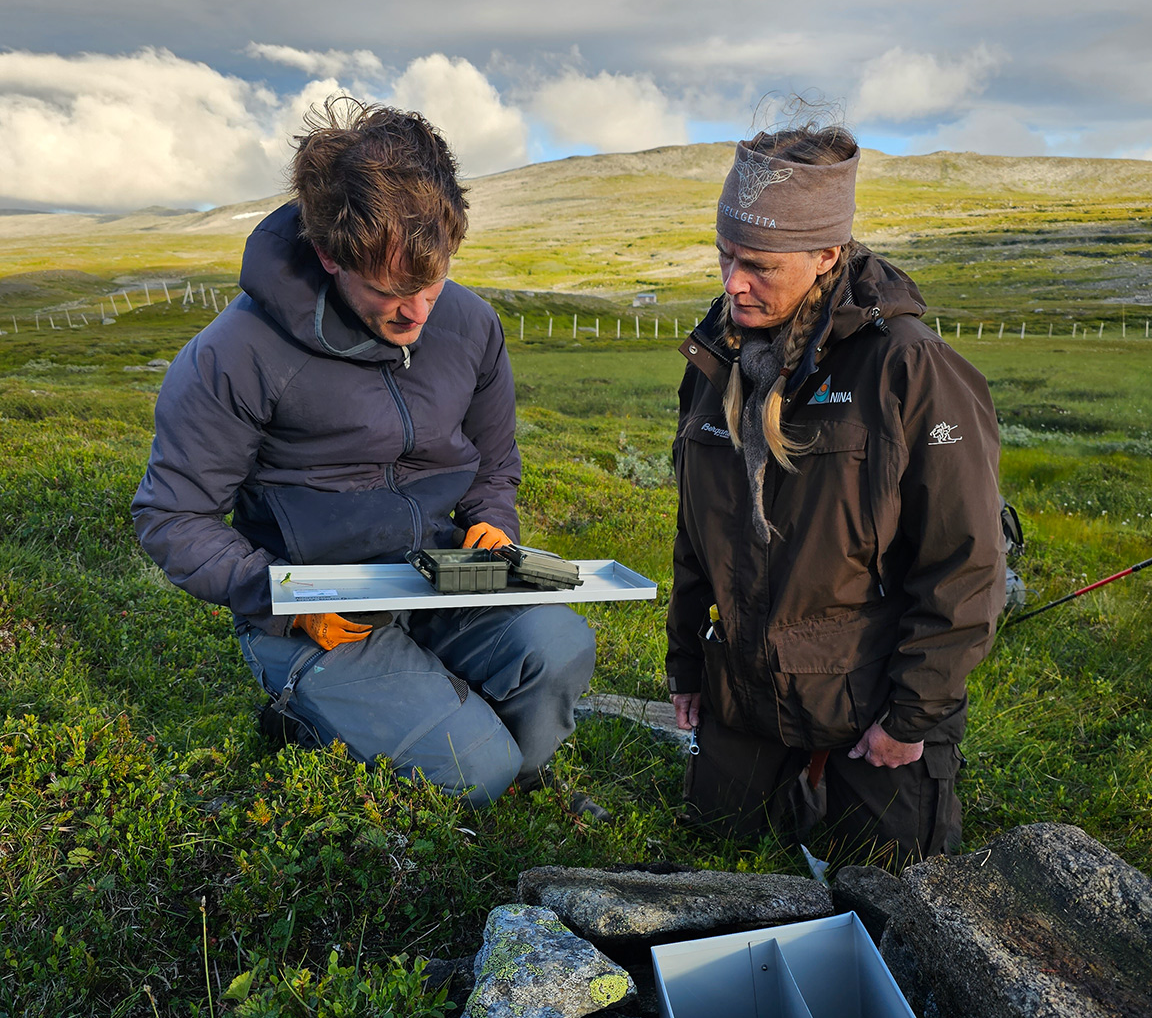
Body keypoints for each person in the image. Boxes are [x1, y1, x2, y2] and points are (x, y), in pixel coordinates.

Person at [133, 98, 596, 808]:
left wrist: (492, 520)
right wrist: (286, 602)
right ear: (328, 255)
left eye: (431, 283)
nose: (416, 314)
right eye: (389, 291)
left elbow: (494, 465)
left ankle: (503, 779)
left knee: (560, 647)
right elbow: (174, 520)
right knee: (473, 768)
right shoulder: (235, 354)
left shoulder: (471, 325)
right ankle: (311, 718)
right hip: (315, 606)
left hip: (442, 581)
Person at [667, 116, 1006, 867]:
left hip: (871, 713)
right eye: (724, 255)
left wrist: (912, 717)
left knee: (886, 906)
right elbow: (697, 531)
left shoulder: (911, 371)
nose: (733, 284)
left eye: (758, 264)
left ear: (826, 254)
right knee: (713, 870)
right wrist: (688, 662)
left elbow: (966, 562)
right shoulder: (713, 359)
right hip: (743, 695)